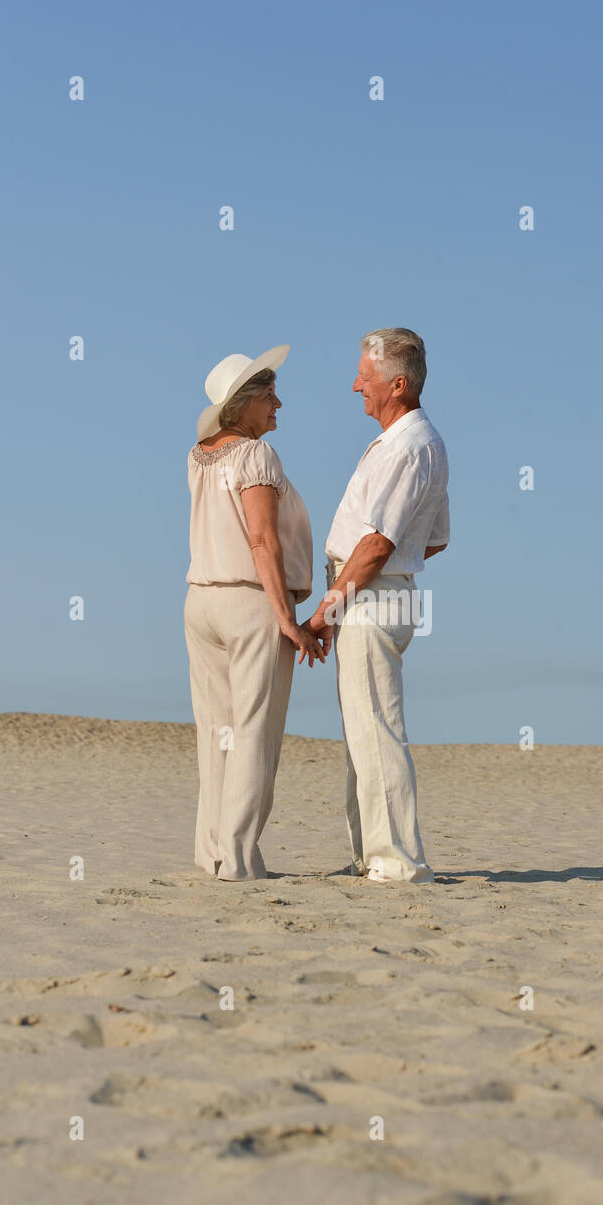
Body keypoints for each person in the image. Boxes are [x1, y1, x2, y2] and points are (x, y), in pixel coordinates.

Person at [307, 328, 449, 884]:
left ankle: (395, 862)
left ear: (397, 382)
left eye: (364, 378)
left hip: (368, 594)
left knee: (376, 730)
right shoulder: (412, 441)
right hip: (376, 592)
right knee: (364, 731)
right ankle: (373, 853)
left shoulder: (410, 445)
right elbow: (432, 539)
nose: (354, 386)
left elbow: (378, 544)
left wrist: (325, 612)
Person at [184, 345, 327, 881]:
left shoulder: (199, 454)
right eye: (269, 395)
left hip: (200, 601)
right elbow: (263, 540)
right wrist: (285, 617)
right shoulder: (255, 457)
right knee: (254, 733)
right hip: (249, 602)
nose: (279, 404)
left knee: (216, 731)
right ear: (242, 403)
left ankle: (213, 851)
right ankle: (239, 859)